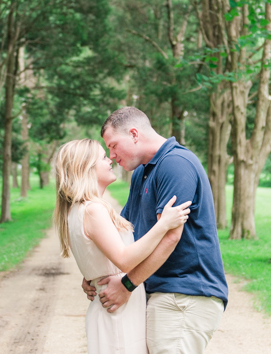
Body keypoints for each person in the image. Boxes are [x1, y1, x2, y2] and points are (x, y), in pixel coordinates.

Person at [83, 107, 228, 354]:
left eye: (114, 145)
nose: (112, 155)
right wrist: (96, 274)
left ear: (134, 134)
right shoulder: (142, 171)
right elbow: (125, 233)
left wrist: (126, 285)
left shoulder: (175, 164)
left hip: (184, 293)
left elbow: (170, 237)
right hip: (161, 292)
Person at [54, 138, 192, 354]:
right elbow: (125, 259)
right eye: (102, 157)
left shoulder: (78, 210)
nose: (109, 160)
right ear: (86, 168)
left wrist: (92, 274)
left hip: (115, 309)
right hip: (117, 313)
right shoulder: (92, 210)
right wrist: (163, 224)